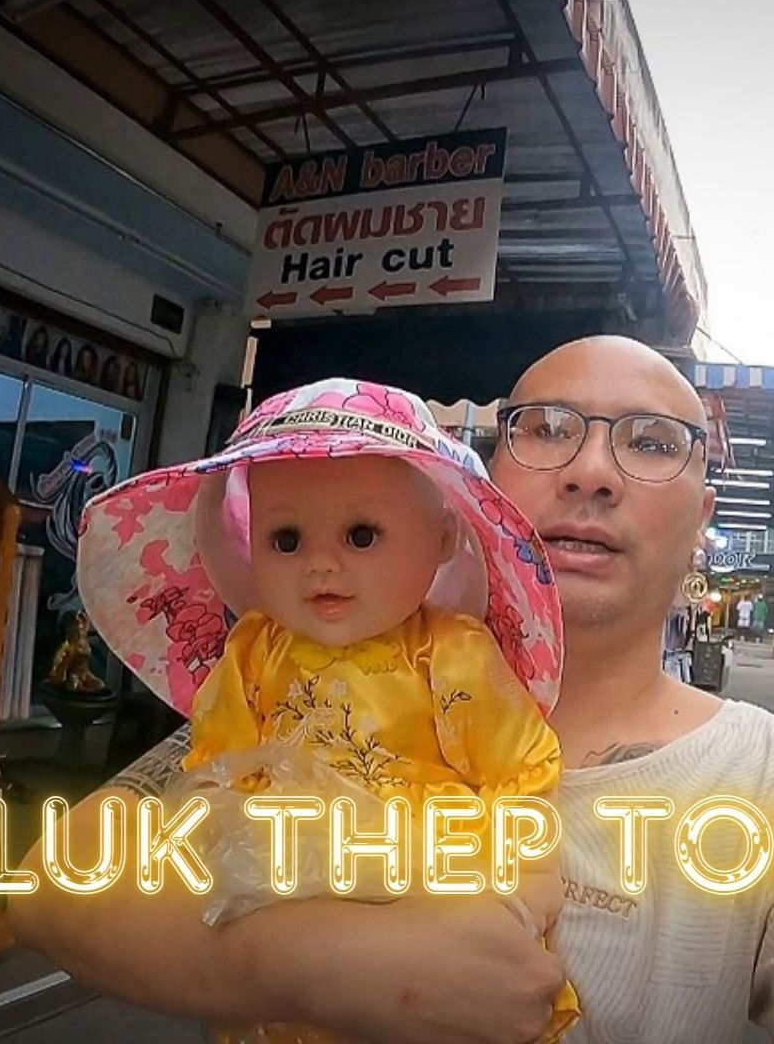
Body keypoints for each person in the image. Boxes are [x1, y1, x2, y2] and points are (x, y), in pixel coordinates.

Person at [14, 336, 774, 1044]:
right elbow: (55, 885)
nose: (591, 473)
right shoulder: (303, 696)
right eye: (547, 430)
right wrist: (300, 965)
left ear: (704, 518)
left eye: (654, 443)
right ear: (476, 488)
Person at [75, 379, 579, 1043]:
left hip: (425, 895)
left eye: (361, 534)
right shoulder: (255, 651)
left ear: (443, 537)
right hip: (275, 896)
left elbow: (518, 776)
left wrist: (524, 886)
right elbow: (219, 764)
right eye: (285, 539)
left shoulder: (451, 654)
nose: (319, 565)